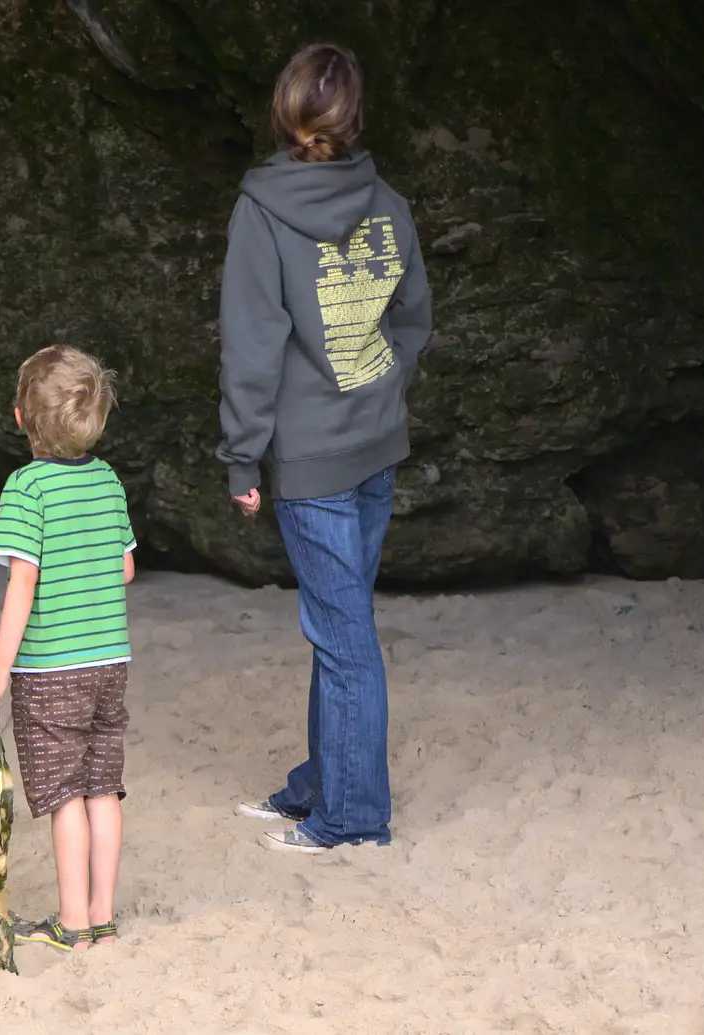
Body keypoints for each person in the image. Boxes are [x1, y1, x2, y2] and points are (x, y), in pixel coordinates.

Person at [216, 43, 433, 853]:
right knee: (336, 625)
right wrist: (384, 383)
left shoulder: (263, 210)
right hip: (375, 441)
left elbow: (251, 345)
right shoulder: (391, 205)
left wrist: (242, 458)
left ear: (286, 112)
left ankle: (351, 817)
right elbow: (414, 317)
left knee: (345, 637)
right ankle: (320, 784)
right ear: (353, 119)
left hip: (311, 457)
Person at [0, 345, 137, 950]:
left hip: (51, 669)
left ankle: (73, 922)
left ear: (19, 418)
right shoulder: (109, 479)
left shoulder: (27, 487)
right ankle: (104, 915)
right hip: (110, 663)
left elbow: (23, 581)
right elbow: (126, 570)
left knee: (64, 796)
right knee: (102, 788)